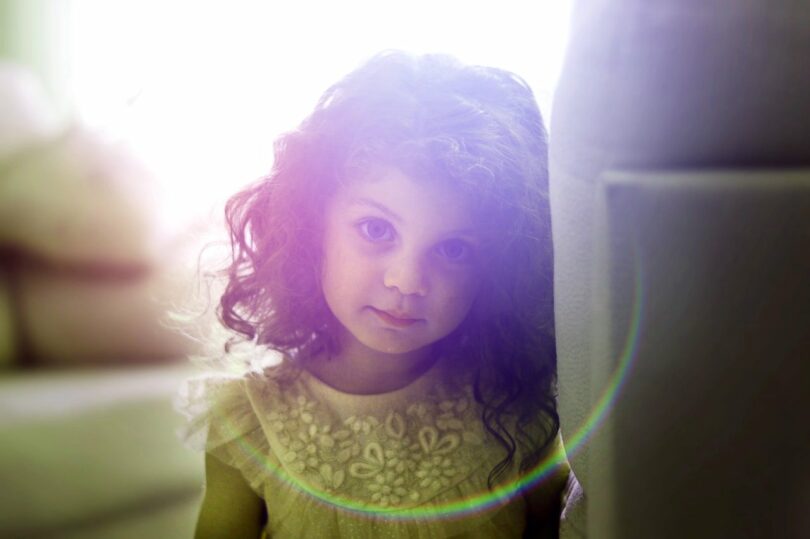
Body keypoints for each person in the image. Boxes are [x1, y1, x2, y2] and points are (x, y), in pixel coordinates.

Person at [178, 50, 571, 538]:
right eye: (376, 228)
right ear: (311, 225)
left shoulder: (515, 412)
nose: (407, 281)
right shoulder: (249, 418)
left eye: (452, 249)